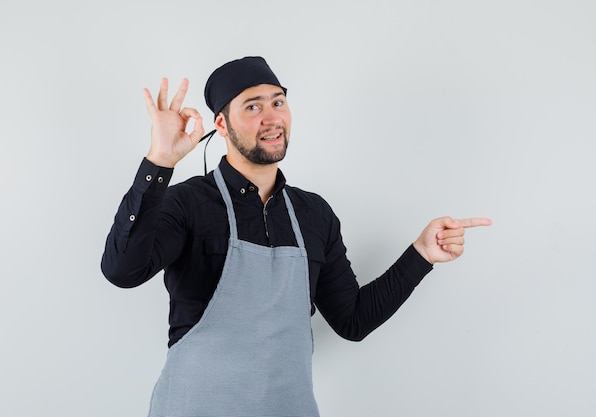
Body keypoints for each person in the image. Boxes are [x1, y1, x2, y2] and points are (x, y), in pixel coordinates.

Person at [101, 56, 491, 417]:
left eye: (278, 102)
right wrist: (159, 164)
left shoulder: (313, 214)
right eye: (252, 106)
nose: (271, 117)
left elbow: (352, 320)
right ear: (222, 124)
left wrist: (420, 254)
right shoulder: (187, 203)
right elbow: (122, 270)